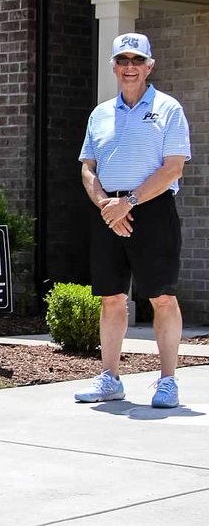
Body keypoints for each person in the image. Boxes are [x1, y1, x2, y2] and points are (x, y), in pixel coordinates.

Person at [74, 32, 191, 409]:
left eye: (137, 61)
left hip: (152, 210)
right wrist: (107, 204)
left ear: (149, 66)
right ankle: (110, 378)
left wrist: (131, 201)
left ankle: (168, 381)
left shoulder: (168, 108)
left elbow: (173, 168)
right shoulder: (100, 114)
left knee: (162, 297)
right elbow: (88, 168)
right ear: (113, 66)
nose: (129, 68)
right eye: (122, 61)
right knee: (111, 298)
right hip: (108, 212)